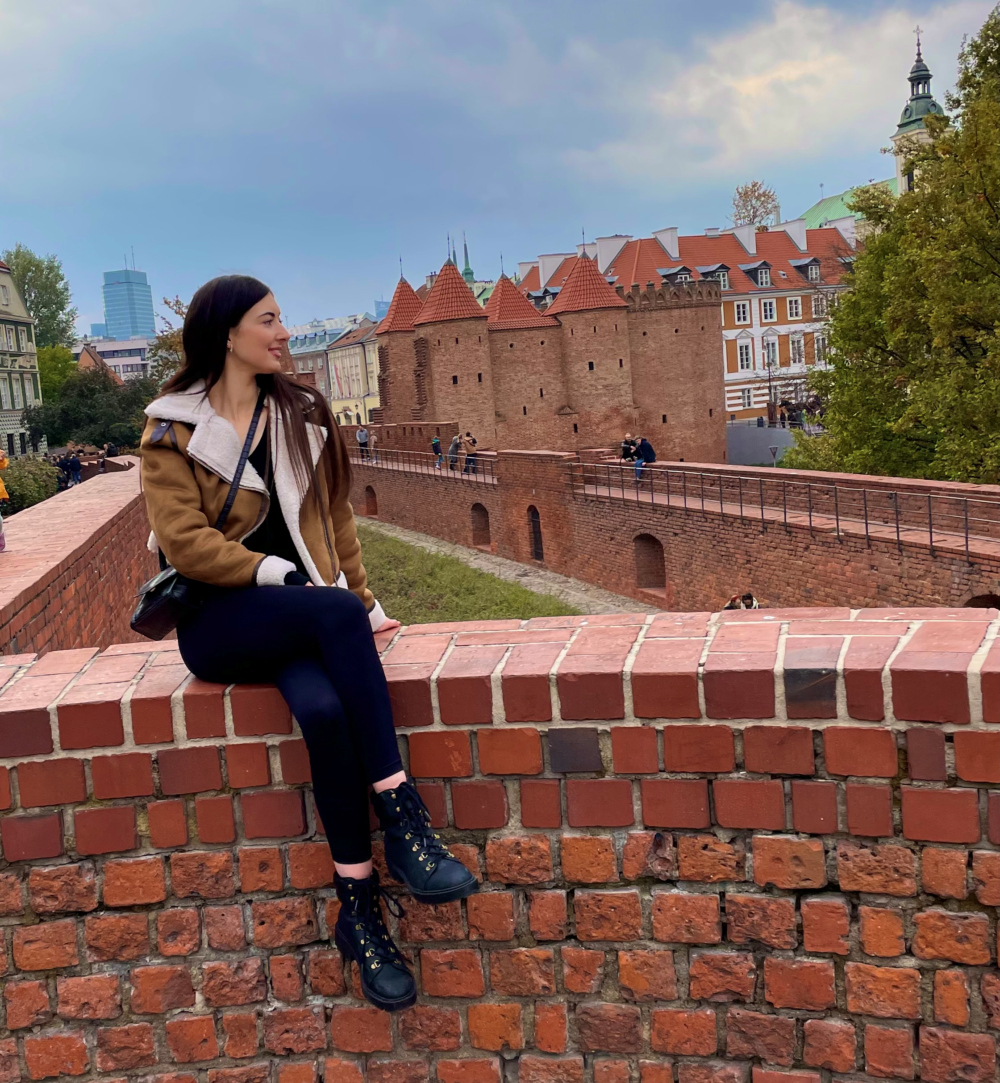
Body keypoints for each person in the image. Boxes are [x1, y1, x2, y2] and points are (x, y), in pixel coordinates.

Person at [139, 275, 478, 1014]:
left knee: (325, 714)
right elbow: (185, 542)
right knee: (327, 618)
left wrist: (364, 603)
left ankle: (358, 911)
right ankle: (404, 814)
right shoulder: (170, 430)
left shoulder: (301, 412)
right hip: (221, 621)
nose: (286, 332)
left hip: (302, 614)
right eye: (271, 319)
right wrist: (272, 571)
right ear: (229, 333)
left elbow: (336, 519)